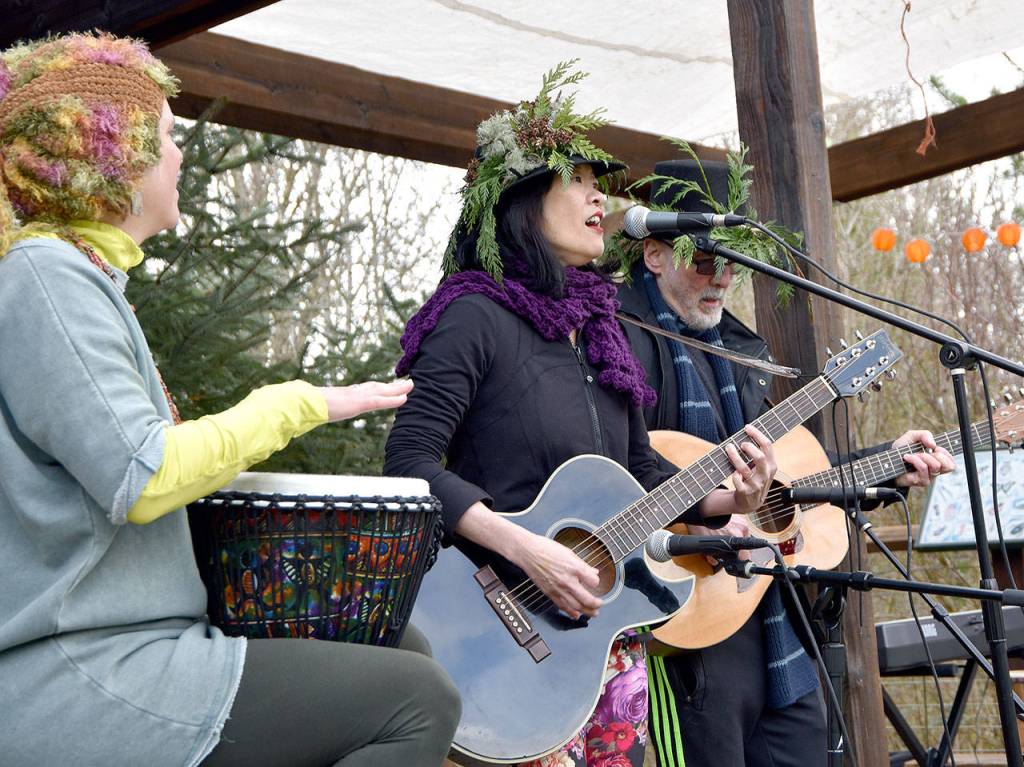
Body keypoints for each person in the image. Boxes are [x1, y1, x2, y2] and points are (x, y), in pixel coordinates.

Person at [0, 32, 458, 766]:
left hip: (141, 637)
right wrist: (291, 405)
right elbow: (142, 476)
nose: (180, 156)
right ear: (108, 152)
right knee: (420, 701)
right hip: (82, 664)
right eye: (169, 136)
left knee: (399, 640)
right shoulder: (45, 277)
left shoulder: (76, 279)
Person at [383, 64, 777, 767]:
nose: (602, 196)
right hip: (492, 630)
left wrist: (727, 495)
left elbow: (641, 474)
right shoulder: (472, 316)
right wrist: (524, 546)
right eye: (581, 179)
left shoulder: (601, 329)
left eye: (602, 183)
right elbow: (409, 464)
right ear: (524, 201)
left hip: (599, 652)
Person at [615, 158, 956, 767]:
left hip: (768, 614)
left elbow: (788, 483)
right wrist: (703, 518)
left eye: (733, 263)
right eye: (704, 260)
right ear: (655, 255)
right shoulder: (616, 341)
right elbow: (613, 469)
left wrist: (886, 466)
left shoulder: (746, 354)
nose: (720, 278)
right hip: (679, 615)